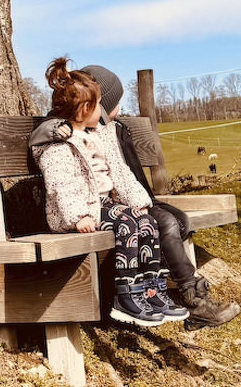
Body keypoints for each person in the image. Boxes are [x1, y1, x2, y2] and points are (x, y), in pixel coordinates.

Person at [58, 62, 240, 330]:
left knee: (168, 219)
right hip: (109, 208)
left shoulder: (114, 130)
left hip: (130, 203)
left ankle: (189, 295)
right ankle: (192, 299)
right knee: (164, 222)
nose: (120, 107)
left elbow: (129, 178)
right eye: (116, 101)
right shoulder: (96, 133)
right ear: (100, 106)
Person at [30, 58, 187, 327]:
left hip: (104, 205)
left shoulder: (99, 134)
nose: (102, 109)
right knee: (127, 224)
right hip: (82, 212)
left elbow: (120, 173)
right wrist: (78, 216)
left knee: (146, 221)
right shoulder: (58, 144)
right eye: (98, 104)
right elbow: (61, 184)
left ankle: (152, 290)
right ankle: (125, 295)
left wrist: (140, 202)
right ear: (82, 109)